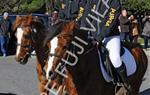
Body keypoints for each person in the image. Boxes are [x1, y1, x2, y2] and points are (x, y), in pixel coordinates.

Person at [79, 0, 131, 91]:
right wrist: (83, 33)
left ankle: (124, 83)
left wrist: (99, 38)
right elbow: (85, 17)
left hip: (111, 36)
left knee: (114, 58)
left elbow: (110, 22)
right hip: (93, 36)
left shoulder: (114, 2)